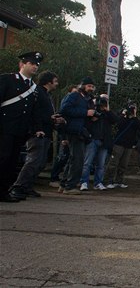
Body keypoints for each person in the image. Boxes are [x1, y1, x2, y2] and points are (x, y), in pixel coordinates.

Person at [9, 71, 64, 200]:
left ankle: (27, 186)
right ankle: (18, 186)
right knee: (33, 161)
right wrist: (37, 128)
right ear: (48, 82)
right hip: (38, 133)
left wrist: (53, 120)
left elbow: (43, 114)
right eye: (55, 81)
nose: (56, 84)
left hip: (46, 132)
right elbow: (34, 112)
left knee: (40, 162)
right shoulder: (38, 93)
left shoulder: (46, 95)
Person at [0, 51, 43, 202]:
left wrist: (37, 127)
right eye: (32, 63)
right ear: (22, 64)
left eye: (37, 64)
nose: (35, 67)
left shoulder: (33, 87)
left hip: (20, 130)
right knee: (2, 159)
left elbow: (33, 110)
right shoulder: (7, 80)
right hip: (4, 128)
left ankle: (4, 191)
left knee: (12, 161)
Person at [59, 77, 97, 195]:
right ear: (83, 86)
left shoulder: (87, 99)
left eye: (92, 86)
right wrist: (85, 113)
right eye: (89, 86)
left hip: (81, 131)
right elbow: (64, 110)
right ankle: (70, 186)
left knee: (73, 159)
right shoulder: (74, 96)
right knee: (77, 160)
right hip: (74, 131)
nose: (91, 88)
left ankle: (64, 184)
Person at [79, 94, 118, 191]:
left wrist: (107, 110)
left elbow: (116, 120)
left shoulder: (107, 113)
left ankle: (98, 182)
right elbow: (85, 122)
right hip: (93, 139)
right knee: (87, 163)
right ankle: (84, 182)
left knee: (101, 164)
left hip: (104, 141)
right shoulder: (92, 110)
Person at [105, 101, 140, 189]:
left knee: (123, 164)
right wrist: (124, 115)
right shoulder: (122, 117)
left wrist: (134, 116)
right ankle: (108, 181)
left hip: (129, 144)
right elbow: (119, 125)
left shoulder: (134, 120)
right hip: (119, 143)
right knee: (113, 163)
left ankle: (119, 180)